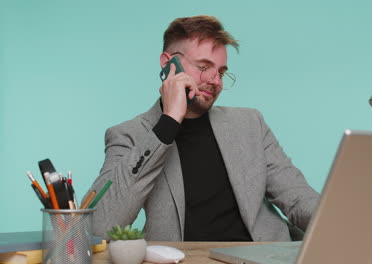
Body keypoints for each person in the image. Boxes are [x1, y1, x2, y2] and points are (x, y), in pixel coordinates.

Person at [89, 15, 320, 242]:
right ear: (167, 63)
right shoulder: (128, 135)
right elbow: (101, 224)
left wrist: (340, 221)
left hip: (262, 255)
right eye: (204, 67)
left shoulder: (250, 123)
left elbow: (298, 198)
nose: (215, 81)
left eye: (220, 71)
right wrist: (168, 123)